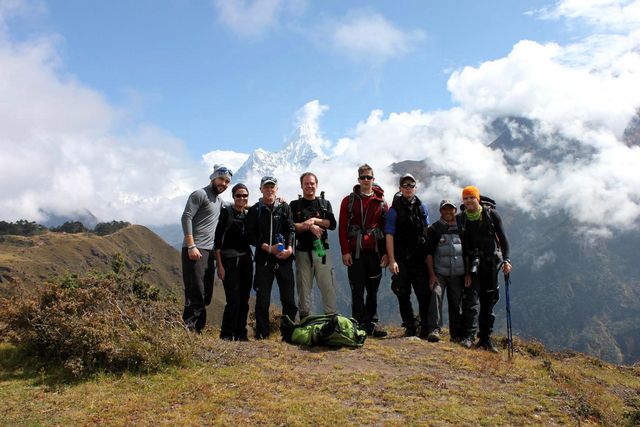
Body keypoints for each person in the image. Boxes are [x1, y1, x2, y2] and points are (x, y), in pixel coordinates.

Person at [458, 185, 512, 352]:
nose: (468, 201)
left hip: (490, 264)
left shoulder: (491, 215)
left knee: (488, 303)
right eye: (465, 198)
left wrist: (506, 260)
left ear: (478, 198)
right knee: (471, 301)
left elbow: (503, 239)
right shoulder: (461, 218)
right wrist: (467, 272)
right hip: (472, 265)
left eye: (471, 197)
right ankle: (468, 337)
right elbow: (463, 248)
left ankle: (485, 339)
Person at [338, 164, 389, 337]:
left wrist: (386, 253)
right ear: (358, 179)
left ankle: (372, 324)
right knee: (357, 290)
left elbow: (386, 229)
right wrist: (345, 251)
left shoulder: (381, 202)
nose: (366, 180)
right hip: (355, 252)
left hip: (375, 252)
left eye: (369, 177)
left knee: (373, 291)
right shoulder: (348, 201)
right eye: (363, 177)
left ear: (374, 179)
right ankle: (359, 323)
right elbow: (342, 228)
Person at [180, 165, 232, 333]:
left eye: (227, 181)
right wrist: (191, 245)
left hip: (209, 253)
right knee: (196, 292)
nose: (223, 183)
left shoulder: (219, 201)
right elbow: (186, 217)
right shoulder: (199, 194)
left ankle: (198, 330)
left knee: (206, 294)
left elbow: (234, 205)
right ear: (213, 178)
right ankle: (189, 332)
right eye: (221, 179)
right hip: (195, 249)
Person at [246, 176, 297, 340]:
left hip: (284, 258)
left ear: (276, 189)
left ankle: (288, 334)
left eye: (272, 187)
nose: (269, 190)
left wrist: (290, 249)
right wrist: (267, 248)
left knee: (288, 299)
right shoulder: (255, 210)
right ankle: (262, 335)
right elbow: (250, 235)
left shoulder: (284, 207)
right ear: (261, 189)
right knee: (262, 300)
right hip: (264, 260)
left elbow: (291, 229)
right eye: (266, 187)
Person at [385, 173, 430, 337]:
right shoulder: (393, 211)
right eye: (405, 185)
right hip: (401, 258)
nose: (408, 188)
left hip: (419, 258)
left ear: (415, 188)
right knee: (402, 292)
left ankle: (425, 325)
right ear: (400, 188)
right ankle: (410, 325)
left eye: (411, 185)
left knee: (423, 292)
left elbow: (427, 231)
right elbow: (389, 235)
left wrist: (429, 257)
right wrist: (392, 260)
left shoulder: (422, 207)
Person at [290, 172, 337, 319]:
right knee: (303, 287)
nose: (309, 186)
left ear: (316, 185)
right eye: (306, 183)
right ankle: (305, 318)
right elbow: (291, 226)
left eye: (312, 183)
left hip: (322, 250)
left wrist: (314, 220)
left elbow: (331, 224)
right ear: (301, 185)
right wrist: (308, 226)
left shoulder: (324, 204)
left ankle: (331, 318)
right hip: (302, 252)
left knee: (327, 286)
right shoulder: (294, 205)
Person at [214, 183, 252, 341]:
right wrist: (219, 266)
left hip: (246, 260)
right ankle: (226, 333)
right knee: (233, 299)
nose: (242, 198)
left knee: (244, 298)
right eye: (238, 195)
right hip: (229, 261)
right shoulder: (226, 213)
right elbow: (217, 241)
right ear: (233, 197)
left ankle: (241, 333)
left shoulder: (248, 214)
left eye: (245, 196)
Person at [425, 199, 465, 343]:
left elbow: (467, 252)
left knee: (456, 303)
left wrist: (467, 273)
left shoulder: (462, 228)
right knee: (436, 296)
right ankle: (434, 330)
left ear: (455, 210)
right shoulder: (434, 229)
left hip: (458, 274)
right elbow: (428, 253)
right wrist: (432, 275)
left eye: (450, 209)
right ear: (440, 211)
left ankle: (456, 334)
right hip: (439, 273)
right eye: (445, 209)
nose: (448, 211)